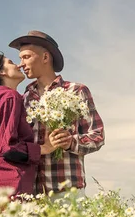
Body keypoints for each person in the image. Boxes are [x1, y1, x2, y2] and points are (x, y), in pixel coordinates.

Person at [8, 30, 105, 200]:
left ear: (45, 57)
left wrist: (70, 142)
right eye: (20, 58)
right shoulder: (23, 98)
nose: (20, 64)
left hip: (67, 190)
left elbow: (98, 136)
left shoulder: (76, 91)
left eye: (26, 57)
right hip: (33, 193)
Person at [0, 53, 56, 198]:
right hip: (10, 188)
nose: (19, 65)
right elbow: (7, 147)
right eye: (11, 62)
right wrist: (44, 148)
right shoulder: (10, 97)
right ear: (1, 72)